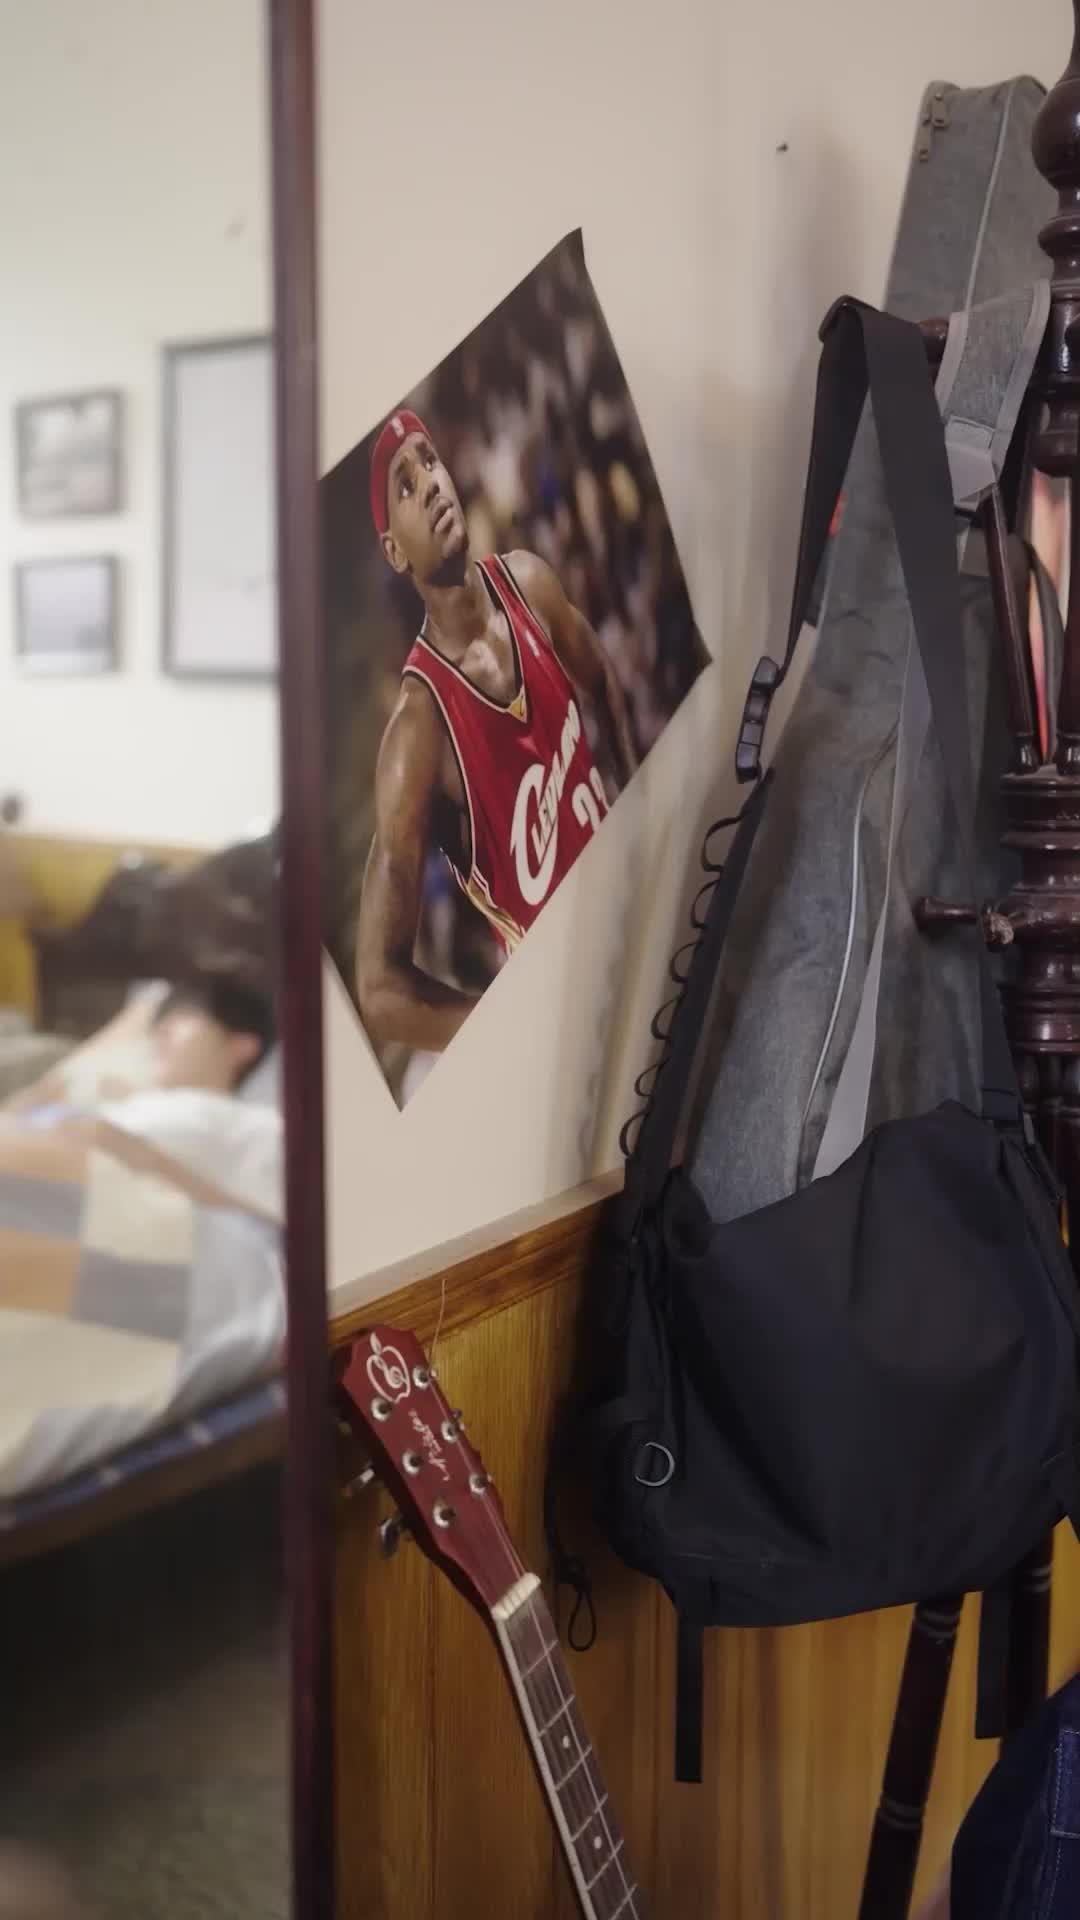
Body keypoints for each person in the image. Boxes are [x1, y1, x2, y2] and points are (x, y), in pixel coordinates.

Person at [355, 408, 639, 1056]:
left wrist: (633, 805)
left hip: (627, 902)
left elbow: (602, 681)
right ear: (394, 550)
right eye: (405, 485)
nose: (430, 483)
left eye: (430, 460)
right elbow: (379, 990)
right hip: (569, 1002)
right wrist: (507, 1025)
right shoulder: (418, 730)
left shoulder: (529, 581)